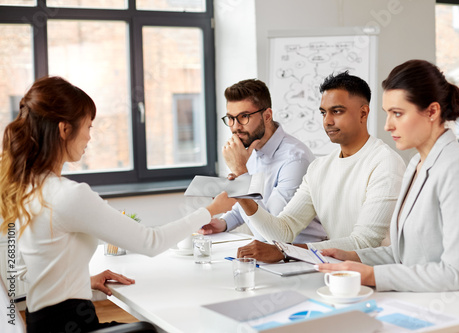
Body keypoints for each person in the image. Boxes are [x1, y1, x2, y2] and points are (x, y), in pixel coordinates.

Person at [0, 76, 236, 332]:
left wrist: (82, 282)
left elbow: (24, 268)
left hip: (42, 324)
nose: (90, 137)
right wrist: (211, 210)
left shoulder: (22, 188)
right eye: (88, 126)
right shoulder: (69, 195)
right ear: (64, 129)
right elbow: (151, 242)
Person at [316, 59, 459, 299]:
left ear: (432, 111)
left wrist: (371, 275)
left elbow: (457, 273)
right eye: (387, 114)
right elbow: (406, 255)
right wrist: (353, 257)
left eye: (398, 114)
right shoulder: (416, 163)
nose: (388, 125)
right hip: (425, 302)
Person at [235, 72, 406, 262]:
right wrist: (242, 194)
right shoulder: (319, 168)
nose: (327, 121)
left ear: (363, 113)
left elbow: (364, 243)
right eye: (324, 112)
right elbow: (284, 231)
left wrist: (285, 251)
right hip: (336, 273)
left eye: (337, 111)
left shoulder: (386, 163)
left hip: (378, 279)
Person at [199, 79, 327, 243]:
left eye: (244, 117)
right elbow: (249, 206)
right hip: (275, 254)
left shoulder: (295, 160)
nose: (235, 127)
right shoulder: (250, 149)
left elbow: (270, 232)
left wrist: (240, 172)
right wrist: (223, 223)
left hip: (303, 254)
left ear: (267, 116)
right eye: (230, 118)